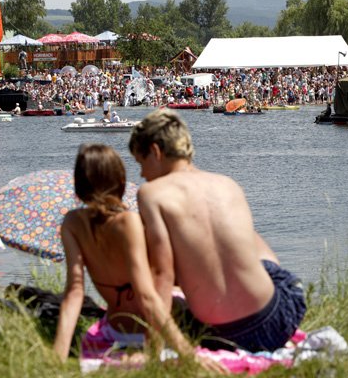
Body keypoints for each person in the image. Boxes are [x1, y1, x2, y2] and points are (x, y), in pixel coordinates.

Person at [128, 109, 306, 352]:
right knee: (247, 239)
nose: (142, 174)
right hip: (276, 320)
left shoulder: (152, 193)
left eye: (141, 163)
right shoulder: (227, 184)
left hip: (220, 334)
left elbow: (162, 275)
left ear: (156, 151)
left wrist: (158, 347)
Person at [53, 143, 226, 373]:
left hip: (115, 329)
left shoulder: (72, 223)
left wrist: (57, 357)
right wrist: (188, 355)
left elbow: (74, 293)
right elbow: (146, 295)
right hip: (149, 330)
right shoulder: (127, 221)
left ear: (80, 184)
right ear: (120, 181)